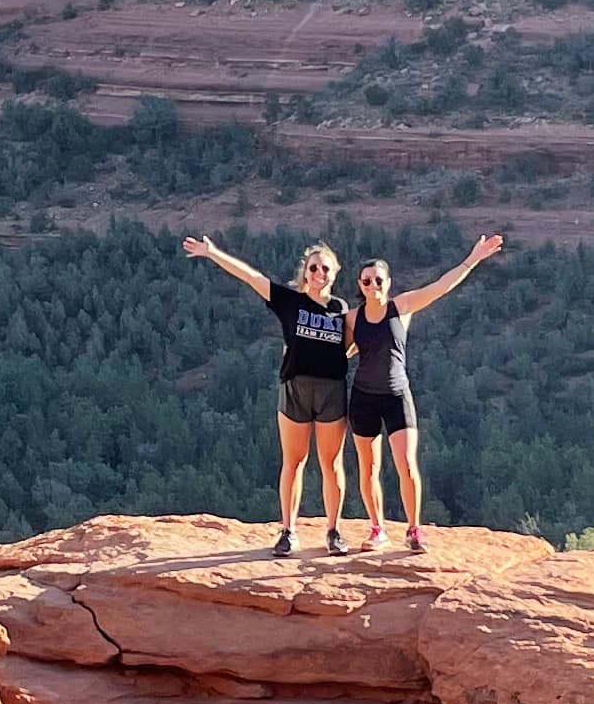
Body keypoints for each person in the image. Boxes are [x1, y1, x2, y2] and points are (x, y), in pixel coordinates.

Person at [182, 231, 356, 551]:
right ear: (305, 272)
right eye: (314, 268)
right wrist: (212, 253)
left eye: (326, 269)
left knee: (331, 464)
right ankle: (288, 531)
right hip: (295, 387)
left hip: (332, 390)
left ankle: (333, 531)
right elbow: (251, 277)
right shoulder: (290, 301)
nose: (320, 274)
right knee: (294, 461)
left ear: (335, 272)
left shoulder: (340, 307)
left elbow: (353, 342)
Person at [345, 232, 502, 550]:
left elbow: (439, 288)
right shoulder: (352, 318)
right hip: (363, 398)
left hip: (396, 396)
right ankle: (377, 529)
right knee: (369, 467)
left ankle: (414, 530)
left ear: (388, 282)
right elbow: (341, 352)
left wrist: (472, 261)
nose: (373, 285)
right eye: (366, 281)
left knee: (406, 463)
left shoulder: (401, 307)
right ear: (359, 285)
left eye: (378, 280)